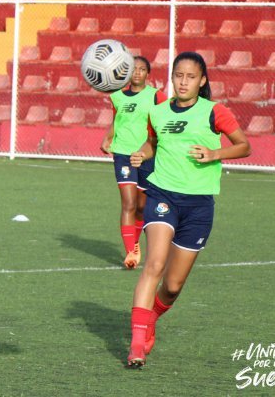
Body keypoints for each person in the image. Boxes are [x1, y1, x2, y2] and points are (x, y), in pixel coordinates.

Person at [126, 52, 251, 367]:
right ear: (172, 77)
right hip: (162, 194)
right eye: (178, 75)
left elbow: (244, 145)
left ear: (202, 81)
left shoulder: (215, 112)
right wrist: (142, 153)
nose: (183, 82)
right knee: (154, 264)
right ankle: (137, 344)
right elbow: (152, 142)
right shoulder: (156, 112)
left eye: (190, 77)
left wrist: (214, 153)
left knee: (172, 286)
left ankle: (151, 318)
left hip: (199, 205)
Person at [101, 56, 167, 269]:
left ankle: (135, 242)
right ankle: (131, 251)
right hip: (123, 154)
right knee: (128, 203)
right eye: (133, 69)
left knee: (141, 207)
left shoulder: (157, 96)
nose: (137, 73)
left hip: (147, 155)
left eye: (141, 69)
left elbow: (164, 121)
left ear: (148, 73)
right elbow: (117, 120)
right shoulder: (117, 96)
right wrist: (108, 137)